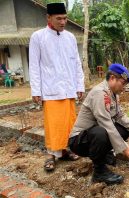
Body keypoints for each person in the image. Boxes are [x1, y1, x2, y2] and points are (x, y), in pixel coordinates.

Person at [69, 63, 129, 185]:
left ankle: (104, 154)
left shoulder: (113, 94)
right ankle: (99, 171)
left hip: (92, 136)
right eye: (123, 83)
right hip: (79, 141)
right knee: (100, 132)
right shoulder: (99, 93)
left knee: (124, 128)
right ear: (112, 78)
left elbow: (119, 116)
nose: (124, 88)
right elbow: (105, 123)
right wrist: (125, 149)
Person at [29, 2, 84, 171]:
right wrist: (36, 90)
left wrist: (79, 85)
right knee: (53, 124)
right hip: (50, 90)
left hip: (68, 89)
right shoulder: (38, 37)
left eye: (65, 18)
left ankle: (66, 151)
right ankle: (51, 156)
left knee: (69, 124)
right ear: (49, 18)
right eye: (59, 18)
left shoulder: (70, 37)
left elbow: (76, 64)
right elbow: (34, 66)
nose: (63, 22)